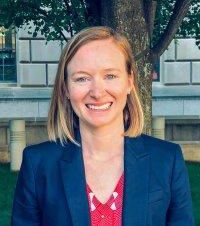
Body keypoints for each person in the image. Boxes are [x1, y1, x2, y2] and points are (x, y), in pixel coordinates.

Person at [11, 26, 194, 226]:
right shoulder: (38, 164)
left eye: (110, 76)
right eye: (82, 78)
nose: (97, 92)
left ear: (130, 81)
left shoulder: (167, 160)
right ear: (65, 89)